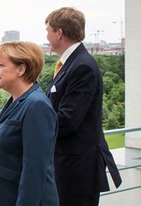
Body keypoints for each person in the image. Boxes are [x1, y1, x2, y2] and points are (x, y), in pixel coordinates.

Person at [45, 7, 122, 206]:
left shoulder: (82, 67)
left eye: (48, 30)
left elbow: (67, 120)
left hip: (77, 169)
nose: (46, 36)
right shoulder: (71, 63)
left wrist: (32, 125)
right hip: (68, 166)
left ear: (59, 33)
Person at [0, 41, 59, 206]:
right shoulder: (14, 101)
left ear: (21, 69)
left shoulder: (37, 106)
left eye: (1, 65)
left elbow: (35, 170)